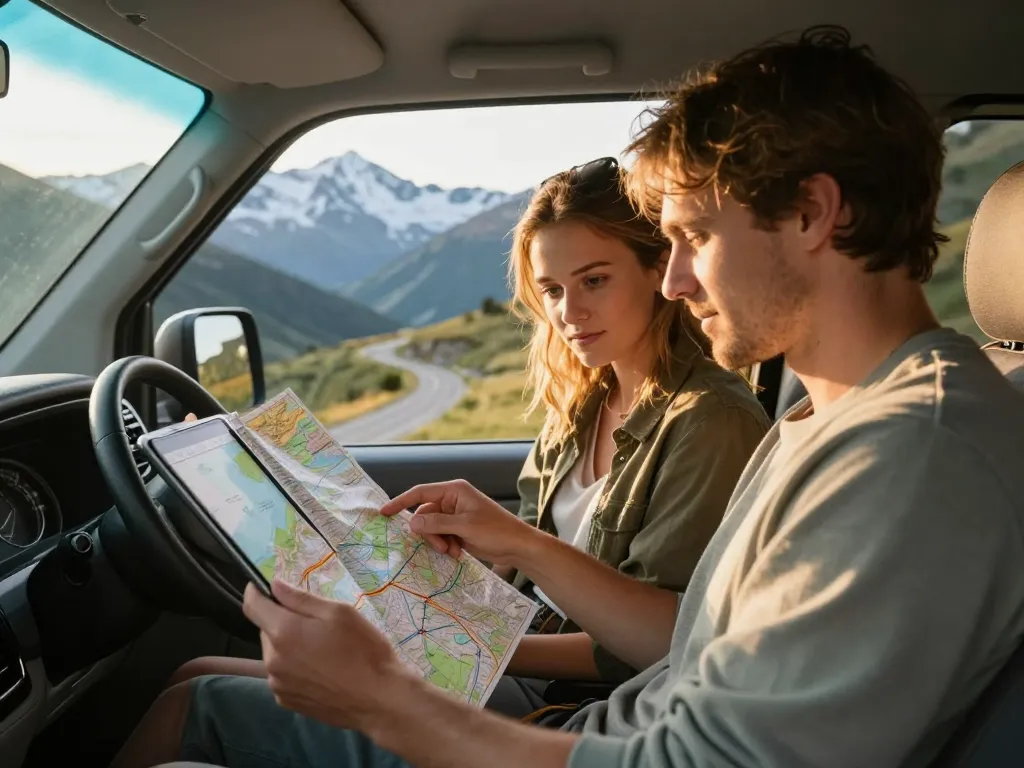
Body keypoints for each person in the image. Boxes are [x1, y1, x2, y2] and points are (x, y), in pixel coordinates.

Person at [113, 25, 1024, 768]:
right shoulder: (831, 416)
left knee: (193, 734)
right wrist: (512, 541)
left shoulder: (913, 451)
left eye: (695, 236)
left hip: (597, 743)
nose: (673, 283)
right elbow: (687, 646)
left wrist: (385, 699)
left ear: (814, 213)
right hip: (600, 734)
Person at [150, 159, 769, 702]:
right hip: (512, 654)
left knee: (196, 695)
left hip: (576, 703)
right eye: (551, 290)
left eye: (595, 280)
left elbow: (662, 641)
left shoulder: (709, 420)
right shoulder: (586, 400)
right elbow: (527, 577)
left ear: (658, 269)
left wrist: (440, 647)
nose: (569, 313)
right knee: (191, 672)